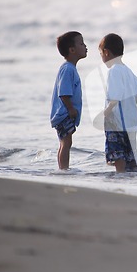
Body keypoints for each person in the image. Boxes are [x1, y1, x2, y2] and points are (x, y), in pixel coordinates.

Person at [99, 33, 137, 173]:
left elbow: (114, 97)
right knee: (132, 151)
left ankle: (120, 176)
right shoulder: (128, 71)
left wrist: (106, 112)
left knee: (118, 152)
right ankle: (134, 174)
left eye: (101, 54)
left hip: (118, 121)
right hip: (131, 120)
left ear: (106, 52)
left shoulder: (114, 71)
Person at [50, 31, 87, 170]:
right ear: (72, 50)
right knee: (66, 142)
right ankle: (64, 169)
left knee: (65, 142)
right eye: (81, 43)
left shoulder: (70, 68)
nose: (85, 46)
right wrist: (71, 108)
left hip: (64, 113)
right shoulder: (68, 69)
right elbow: (63, 93)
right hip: (64, 113)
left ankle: (63, 168)